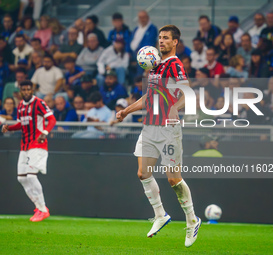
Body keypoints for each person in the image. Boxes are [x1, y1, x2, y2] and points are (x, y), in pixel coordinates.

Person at [116, 25, 201, 247]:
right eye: (160, 38)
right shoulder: (155, 67)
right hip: (150, 126)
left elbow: (188, 93)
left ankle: (192, 220)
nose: (161, 41)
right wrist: (126, 111)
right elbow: (148, 96)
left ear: (175, 42)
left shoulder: (174, 64)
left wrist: (176, 107)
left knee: (173, 179)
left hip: (168, 129)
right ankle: (160, 215)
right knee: (143, 173)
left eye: (166, 38)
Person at [2, 80, 56, 222]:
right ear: (20, 91)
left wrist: (44, 132)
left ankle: (43, 209)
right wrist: (10, 128)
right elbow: (21, 123)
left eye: (28, 89)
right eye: (23, 89)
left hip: (37, 144)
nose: (26, 92)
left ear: (32, 90)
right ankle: (39, 207)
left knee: (31, 176)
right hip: (24, 146)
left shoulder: (39, 103)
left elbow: (52, 119)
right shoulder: (20, 105)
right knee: (21, 178)